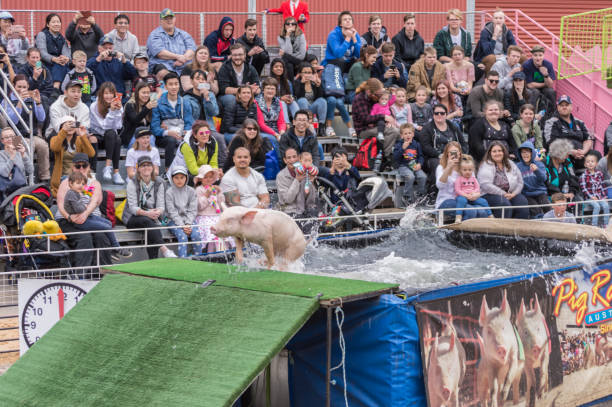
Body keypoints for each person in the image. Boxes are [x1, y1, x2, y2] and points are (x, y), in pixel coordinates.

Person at [54, 152, 113, 268]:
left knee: (102, 237)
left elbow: (95, 201)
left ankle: (104, 273)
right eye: (77, 166)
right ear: (73, 168)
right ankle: (81, 275)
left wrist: (85, 214)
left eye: (84, 166)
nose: (81, 169)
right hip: (67, 219)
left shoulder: (94, 183)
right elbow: (60, 205)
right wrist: (69, 217)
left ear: (89, 167)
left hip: (90, 218)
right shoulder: (67, 183)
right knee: (84, 238)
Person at [63, 171, 130, 259]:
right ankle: (116, 247)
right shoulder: (71, 193)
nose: (81, 186)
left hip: (86, 216)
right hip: (79, 221)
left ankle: (110, 247)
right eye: (78, 183)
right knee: (107, 227)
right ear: (70, 184)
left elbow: (92, 196)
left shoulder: (80, 190)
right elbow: (79, 209)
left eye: (83, 184)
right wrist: (86, 206)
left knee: (108, 223)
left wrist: (87, 191)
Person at [122, 155, 176, 258]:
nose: (146, 168)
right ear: (138, 168)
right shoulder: (132, 183)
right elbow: (133, 208)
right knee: (148, 222)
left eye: (148, 165)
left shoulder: (160, 182)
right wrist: (147, 213)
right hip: (133, 218)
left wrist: (158, 212)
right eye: (143, 165)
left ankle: (153, 262)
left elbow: (161, 205)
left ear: (152, 167)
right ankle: (164, 249)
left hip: (153, 218)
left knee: (150, 227)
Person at [2, 74, 50, 181]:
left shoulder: (31, 99)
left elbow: (41, 118)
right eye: (19, 87)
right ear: (13, 86)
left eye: (24, 87)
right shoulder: (7, 101)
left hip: (31, 133)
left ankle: (44, 178)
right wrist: (19, 103)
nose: (21, 90)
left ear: (28, 87)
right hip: (15, 137)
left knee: (43, 146)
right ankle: (26, 178)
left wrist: (38, 102)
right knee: (28, 146)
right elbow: (12, 121)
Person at [435, 141, 489, 220]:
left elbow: (474, 184)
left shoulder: (466, 166)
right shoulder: (442, 167)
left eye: (456, 152)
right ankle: (461, 232)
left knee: (482, 212)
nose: (454, 154)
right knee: (471, 212)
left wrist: (476, 194)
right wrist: (448, 167)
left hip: (466, 199)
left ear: (460, 153)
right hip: (447, 200)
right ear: (447, 154)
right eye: (451, 152)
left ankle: (473, 232)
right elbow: (440, 186)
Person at [183, 69, 226, 166]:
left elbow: (215, 112)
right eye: (198, 79)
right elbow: (188, 117)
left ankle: (223, 167)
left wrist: (207, 99)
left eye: (203, 79)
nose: (201, 81)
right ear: (191, 81)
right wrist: (191, 131)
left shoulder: (210, 95)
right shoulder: (186, 98)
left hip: (209, 128)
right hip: (194, 129)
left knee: (219, 137)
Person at [151, 72, 194, 168]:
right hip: (164, 137)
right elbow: (154, 128)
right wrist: (167, 132)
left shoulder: (185, 102)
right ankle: (168, 170)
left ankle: (189, 170)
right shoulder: (158, 103)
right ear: (165, 86)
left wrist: (185, 133)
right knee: (171, 140)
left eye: (176, 84)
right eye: (170, 84)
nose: (174, 87)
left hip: (181, 134)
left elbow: (188, 123)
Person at [477, 141, 529, 219]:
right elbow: (485, 185)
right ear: (490, 153)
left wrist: (514, 194)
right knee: (504, 204)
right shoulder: (486, 165)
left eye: (500, 151)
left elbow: (520, 181)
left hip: (510, 193)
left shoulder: (510, 163)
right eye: (494, 151)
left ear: (504, 152)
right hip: (489, 194)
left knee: (522, 202)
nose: (497, 153)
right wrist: (503, 194)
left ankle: (518, 229)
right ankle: (503, 229)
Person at [352, 78, 399, 159]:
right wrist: (383, 117)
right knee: (394, 132)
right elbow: (365, 119)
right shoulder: (359, 99)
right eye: (378, 95)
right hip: (363, 130)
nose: (379, 97)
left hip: (377, 126)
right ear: (369, 92)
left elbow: (385, 108)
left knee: (399, 132)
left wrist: (388, 120)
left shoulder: (374, 97)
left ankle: (383, 156)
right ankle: (385, 157)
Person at [419, 103, 465, 183]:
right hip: (435, 156)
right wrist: (440, 155)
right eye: (436, 113)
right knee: (438, 165)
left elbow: (463, 143)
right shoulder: (427, 128)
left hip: (454, 154)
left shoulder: (453, 127)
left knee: (466, 162)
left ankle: (464, 187)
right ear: (433, 115)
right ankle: (434, 190)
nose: (439, 115)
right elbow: (425, 147)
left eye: (442, 113)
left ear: (446, 114)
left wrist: (461, 154)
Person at [543, 95, 592, 169]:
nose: (564, 107)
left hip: (581, 152)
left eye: (567, 105)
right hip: (564, 154)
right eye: (561, 105)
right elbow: (552, 144)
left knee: (596, 154)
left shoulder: (579, 122)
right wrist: (572, 152)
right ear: (558, 107)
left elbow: (588, 139)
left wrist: (583, 151)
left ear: (571, 107)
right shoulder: (551, 122)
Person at [89, 82, 124, 184]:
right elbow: (103, 126)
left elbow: (118, 126)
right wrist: (112, 112)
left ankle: (113, 170)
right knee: (111, 134)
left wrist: (116, 111)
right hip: (98, 135)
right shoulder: (94, 106)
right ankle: (108, 169)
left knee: (115, 137)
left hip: (110, 137)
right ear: (101, 94)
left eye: (111, 93)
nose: (109, 96)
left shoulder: (118, 105)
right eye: (106, 93)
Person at [194, 165, 232, 253]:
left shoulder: (215, 189)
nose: (208, 179)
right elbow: (199, 206)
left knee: (224, 230)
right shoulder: (198, 190)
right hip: (204, 217)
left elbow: (220, 204)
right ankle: (211, 253)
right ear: (200, 179)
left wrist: (219, 193)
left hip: (216, 216)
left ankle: (226, 253)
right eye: (205, 177)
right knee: (211, 231)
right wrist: (206, 195)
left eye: (210, 177)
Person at [87, 34, 137, 100]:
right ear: (99, 49)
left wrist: (125, 61)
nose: (108, 50)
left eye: (110, 48)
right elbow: (85, 71)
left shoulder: (118, 61)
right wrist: (99, 59)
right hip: (102, 97)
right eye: (105, 48)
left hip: (118, 97)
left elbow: (133, 75)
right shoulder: (95, 60)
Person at [146, 9, 196, 75]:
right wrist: (178, 57)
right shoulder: (155, 35)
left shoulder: (184, 34)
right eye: (166, 18)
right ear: (161, 21)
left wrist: (183, 59)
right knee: (163, 72)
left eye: (171, 18)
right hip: (164, 65)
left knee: (197, 72)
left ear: (175, 19)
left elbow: (191, 49)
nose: (169, 20)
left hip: (183, 64)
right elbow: (160, 53)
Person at [165, 166, 201, 257]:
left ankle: (199, 259)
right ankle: (182, 260)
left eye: (182, 177)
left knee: (196, 235)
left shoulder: (191, 191)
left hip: (189, 220)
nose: (179, 180)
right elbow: (172, 212)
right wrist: (182, 225)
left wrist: (188, 224)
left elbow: (193, 210)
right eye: (176, 177)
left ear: (186, 178)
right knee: (182, 236)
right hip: (173, 221)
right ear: (172, 178)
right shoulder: (169, 192)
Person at [217, 44, 260, 113]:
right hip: (227, 96)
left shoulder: (250, 68)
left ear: (245, 55)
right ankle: (229, 122)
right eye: (234, 55)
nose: (237, 57)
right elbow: (224, 89)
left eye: (240, 54)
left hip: (248, 94)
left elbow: (258, 88)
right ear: (231, 56)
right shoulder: (225, 68)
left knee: (258, 99)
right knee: (231, 100)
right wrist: (244, 90)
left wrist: (253, 90)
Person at [276, 147, 318, 217]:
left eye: (294, 157)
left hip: (308, 209)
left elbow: (314, 169)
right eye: (289, 158)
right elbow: (287, 200)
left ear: (299, 158)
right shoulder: (281, 176)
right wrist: (297, 180)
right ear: (285, 160)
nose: (292, 160)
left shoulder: (305, 168)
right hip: (290, 211)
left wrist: (313, 178)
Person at [473, 9, 517, 73]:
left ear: (504, 20)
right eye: (496, 18)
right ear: (492, 19)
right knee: (492, 58)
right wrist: (495, 35)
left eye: (500, 18)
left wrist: (504, 56)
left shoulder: (507, 31)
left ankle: (519, 81)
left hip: (503, 56)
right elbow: (487, 52)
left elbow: (514, 47)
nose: (498, 20)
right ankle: (489, 80)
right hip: (486, 57)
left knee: (522, 58)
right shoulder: (485, 32)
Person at [393, 123, 426, 206]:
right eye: (405, 133)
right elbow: (395, 157)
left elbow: (421, 156)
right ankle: (406, 196)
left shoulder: (416, 144)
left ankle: (419, 195)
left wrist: (420, 164)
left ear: (413, 134)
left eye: (410, 133)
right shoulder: (399, 144)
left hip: (415, 165)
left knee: (423, 176)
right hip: (403, 166)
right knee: (410, 176)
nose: (408, 135)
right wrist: (402, 148)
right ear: (402, 136)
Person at [454, 155, 494, 222]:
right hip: (463, 196)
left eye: (470, 170)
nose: (467, 172)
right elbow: (457, 190)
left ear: (473, 170)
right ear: (460, 170)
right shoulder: (459, 179)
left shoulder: (474, 179)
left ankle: (490, 215)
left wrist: (474, 193)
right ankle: (458, 216)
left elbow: (477, 188)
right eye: (465, 170)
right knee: (461, 201)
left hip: (473, 197)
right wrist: (466, 195)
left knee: (483, 201)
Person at [35, 13, 70, 89]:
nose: (56, 24)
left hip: (58, 64)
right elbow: (42, 53)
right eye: (53, 22)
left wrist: (65, 58)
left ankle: (59, 89)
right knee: (59, 65)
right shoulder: (42, 35)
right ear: (48, 24)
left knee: (63, 64)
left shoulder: (62, 38)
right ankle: (55, 88)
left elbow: (67, 54)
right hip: (43, 63)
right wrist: (54, 59)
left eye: (58, 22)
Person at [255, 77, 286, 157]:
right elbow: (261, 124)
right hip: (262, 131)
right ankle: (279, 160)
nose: (270, 91)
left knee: (288, 138)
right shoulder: (257, 101)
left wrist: (282, 133)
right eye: (268, 88)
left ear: (276, 91)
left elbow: (281, 122)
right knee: (273, 139)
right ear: (263, 89)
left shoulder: (278, 102)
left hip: (277, 130)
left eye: (272, 89)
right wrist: (276, 135)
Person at [516, 141, 548, 217]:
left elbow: (544, 178)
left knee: (547, 207)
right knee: (535, 210)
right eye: (523, 152)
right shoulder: (517, 166)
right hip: (527, 194)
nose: (525, 154)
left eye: (527, 152)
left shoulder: (539, 164)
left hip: (540, 192)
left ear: (532, 153)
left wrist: (537, 171)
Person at [293, 62, 326, 134]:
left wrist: (318, 86)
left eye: (309, 72)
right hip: (301, 108)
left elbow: (319, 97)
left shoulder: (313, 82)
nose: (307, 75)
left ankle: (321, 126)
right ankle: (306, 125)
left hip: (312, 108)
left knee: (322, 101)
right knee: (302, 100)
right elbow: (297, 96)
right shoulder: (296, 82)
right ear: (301, 73)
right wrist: (302, 84)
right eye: (305, 72)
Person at [121, 82, 156, 147]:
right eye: (143, 93)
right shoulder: (130, 105)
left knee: (151, 140)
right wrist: (147, 108)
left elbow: (150, 122)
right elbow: (135, 120)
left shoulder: (148, 104)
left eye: (148, 93)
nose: (146, 95)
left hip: (145, 135)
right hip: (131, 136)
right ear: (137, 93)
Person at [0, 127, 32, 196]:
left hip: (21, 188)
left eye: (12, 136)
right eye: (6, 137)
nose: (10, 139)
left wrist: (24, 155)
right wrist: (12, 156)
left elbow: (30, 170)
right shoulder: (1, 154)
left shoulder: (20, 152)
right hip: (6, 191)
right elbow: (4, 173)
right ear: (2, 141)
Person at [580, 152, 609, 227]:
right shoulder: (584, 176)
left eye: (592, 161)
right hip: (589, 198)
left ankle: (606, 224)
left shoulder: (599, 174)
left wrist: (605, 197)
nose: (590, 163)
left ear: (596, 163)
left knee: (606, 205)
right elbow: (584, 189)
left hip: (599, 197)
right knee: (597, 206)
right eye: (588, 162)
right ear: (585, 164)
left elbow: (603, 186)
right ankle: (594, 225)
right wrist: (591, 197)